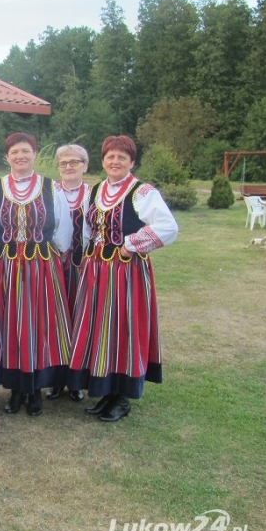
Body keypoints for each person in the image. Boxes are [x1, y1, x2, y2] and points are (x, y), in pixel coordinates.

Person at [68, 135, 178, 422]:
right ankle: (106, 389)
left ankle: (122, 397)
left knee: (123, 327)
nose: (115, 162)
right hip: (96, 270)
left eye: (122, 157)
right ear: (103, 161)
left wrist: (131, 245)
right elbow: (88, 230)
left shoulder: (141, 192)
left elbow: (168, 226)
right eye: (110, 157)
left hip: (126, 272)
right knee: (100, 328)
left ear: (132, 161)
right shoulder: (95, 191)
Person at [0, 133, 73, 416]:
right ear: (6, 157)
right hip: (6, 268)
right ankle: (15, 388)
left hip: (41, 267)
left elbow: (63, 230)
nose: (20, 156)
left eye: (26, 151)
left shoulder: (51, 188)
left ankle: (35, 390)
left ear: (34, 154)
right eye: (14, 152)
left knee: (39, 324)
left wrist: (49, 254)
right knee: (9, 326)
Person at [46, 145, 91, 402]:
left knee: (81, 320)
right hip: (53, 266)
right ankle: (56, 379)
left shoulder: (94, 193)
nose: (69, 167)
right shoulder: (49, 191)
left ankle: (77, 380)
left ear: (85, 165)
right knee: (55, 322)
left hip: (85, 267)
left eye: (75, 162)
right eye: (63, 163)